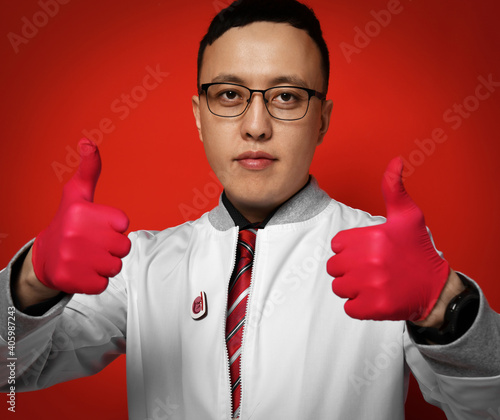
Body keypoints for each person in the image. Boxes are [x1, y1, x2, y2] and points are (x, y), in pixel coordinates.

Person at [1, 0, 499, 419]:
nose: (256, 125)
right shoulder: (139, 266)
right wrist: (30, 283)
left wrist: (446, 307)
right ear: (199, 117)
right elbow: (11, 373)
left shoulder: (390, 258)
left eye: (286, 96)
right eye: (229, 94)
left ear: (321, 120)